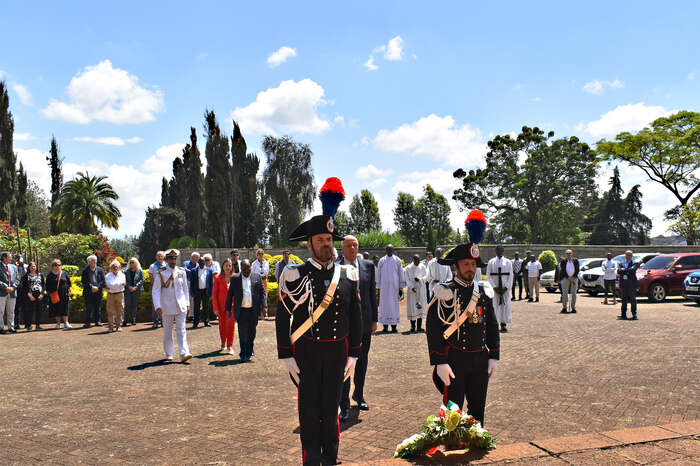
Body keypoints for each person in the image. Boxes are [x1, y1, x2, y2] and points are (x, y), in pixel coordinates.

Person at [276, 177, 361, 466]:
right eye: (320, 241)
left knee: (332, 405)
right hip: (307, 353)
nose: (326, 245)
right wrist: (286, 355)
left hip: (338, 352)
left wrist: (354, 354)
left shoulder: (348, 275)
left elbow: (356, 317)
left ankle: (331, 455)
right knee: (309, 409)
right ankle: (312, 457)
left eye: (329, 240)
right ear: (309, 244)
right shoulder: (294, 274)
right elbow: (282, 317)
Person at [426, 210, 499, 426]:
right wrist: (439, 361)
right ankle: (452, 442)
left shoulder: (483, 292)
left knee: (478, 406)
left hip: (479, 358)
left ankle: (476, 440)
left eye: (473, 264)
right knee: (453, 407)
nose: (470, 268)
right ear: (455, 267)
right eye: (466, 264)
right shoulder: (443, 291)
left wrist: (494, 355)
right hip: (454, 358)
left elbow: (492, 326)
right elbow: (433, 328)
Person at [338, 234, 378, 420]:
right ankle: (343, 403)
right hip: (345, 326)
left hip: (364, 322)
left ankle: (358, 395)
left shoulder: (368, 266)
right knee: (345, 363)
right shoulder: (336, 268)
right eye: (348, 246)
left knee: (362, 361)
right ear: (342, 248)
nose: (352, 249)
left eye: (355, 245)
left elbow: (371, 295)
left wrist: (374, 320)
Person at [152, 249, 193, 362]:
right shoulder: (161, 273)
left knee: (182, 330)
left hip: (181, 306)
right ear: (167, 259)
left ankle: (184, 353)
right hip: (166, 306)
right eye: (171, 258)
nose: (173, 261)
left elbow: (185, 289)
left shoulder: (181, 271)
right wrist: (158, 306)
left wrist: (187, 304)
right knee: (168, 332)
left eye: (175, 258)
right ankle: (169, 353)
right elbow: (155, 291)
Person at [226, 259, 267, 362]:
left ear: (250, 268)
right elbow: (230, 294)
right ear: (241, 268)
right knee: (243, 333)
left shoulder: (256, 277)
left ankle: (250, 349)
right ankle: (243, 353)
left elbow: (262, 293)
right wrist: (228, 308)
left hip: (253, 310)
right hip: (241, 311)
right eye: (244, 269)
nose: (246, 271)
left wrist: (264, 306)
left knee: (252, 332)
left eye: (248, 269)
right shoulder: (235, 278)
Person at [376, 244, 405, 333]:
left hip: (394, 287)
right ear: (386, 250)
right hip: (384, 287)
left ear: (393, 250)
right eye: (387, 249)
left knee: (394, 305)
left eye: (390, 249)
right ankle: (385, 326)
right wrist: (378, 287)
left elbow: (401, 273)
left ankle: (393, 326)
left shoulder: (397, 260)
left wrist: (401, 287)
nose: (389, 251)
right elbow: (378, 274)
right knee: (384, 305)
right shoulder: (382, 260)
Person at [486, 245, 513, 333]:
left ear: (503, 251)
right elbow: (488, 275)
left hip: (505, 289)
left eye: (501, 250)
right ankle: (495, 323)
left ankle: (503, 324)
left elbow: (511, 276)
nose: (499, 252)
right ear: (495, 251)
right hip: (495, 289)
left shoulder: (508, 262)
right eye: (498, 250)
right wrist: (494, 287)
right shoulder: (491, 262)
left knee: (505, 305)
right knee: (495, 305)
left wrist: (506, 287)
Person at [213, 258, 236, 354]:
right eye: (226, 265)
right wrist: (215, 308)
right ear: (222, 267)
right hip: (221, 307)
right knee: (222, 326)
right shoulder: (218, 278)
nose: (228, 267)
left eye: (229, 265)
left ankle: (230, 346)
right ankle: (223, 342)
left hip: (232, 307)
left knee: (231, 326)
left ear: (232, 267)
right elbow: (214, 294)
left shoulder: (235, 277)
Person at [45, 259, 73, 329]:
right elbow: (47, 286)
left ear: (61, 266)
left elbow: (69, 283)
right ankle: (58, 323)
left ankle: (66, 322)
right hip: (55, 295)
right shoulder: (50, 275)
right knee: (56, 308)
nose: (57, 266)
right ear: (52, 266)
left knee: (65, 308)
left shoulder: (65, 273)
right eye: (55, 265)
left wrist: (70, 290)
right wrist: (50, 295)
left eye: (59, 265)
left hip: (64, 294)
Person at [404, 254, 428, 333]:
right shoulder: (408, 268)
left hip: (421, 289)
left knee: (420, 307)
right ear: (413, 260)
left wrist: (420, 279)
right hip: (412, 291)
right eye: (416, 260)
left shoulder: (423, 267)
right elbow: (407, 279)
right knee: (412, 308)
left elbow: (427, 276)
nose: (417, 262)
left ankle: (419, 327)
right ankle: (412, 327)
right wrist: (411, 287)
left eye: (418, 260)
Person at [81, 255, 105, 328]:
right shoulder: (85, 270)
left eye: (95, 260)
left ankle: (97, 321)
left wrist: (97, 287)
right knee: (89, 308)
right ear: (89, 262)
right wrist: (91, 286)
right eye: (93, 260)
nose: (95, 262)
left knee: (97, 307)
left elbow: (103, 280)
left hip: (98, 291)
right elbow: (84, 281)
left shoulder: (100, 270)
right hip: (89, 291)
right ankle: (87, 322)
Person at [20, 261, 45, 331]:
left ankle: (38, 325)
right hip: (30, 295)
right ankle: (28, 325)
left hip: (39, 294)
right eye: (31, 266)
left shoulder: (40, 275)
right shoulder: (26, 276)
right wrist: (29, 295)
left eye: (34, 266)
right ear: (29, 268)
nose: (33, 268)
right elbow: (24, 287)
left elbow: (43, 285)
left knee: (39, 310)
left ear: (36, 267)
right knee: (29, 310)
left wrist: (42, 294)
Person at [190, 257, 213, 328]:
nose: (202, 263)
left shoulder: (209, 270)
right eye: (200, 262)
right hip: (197, 291)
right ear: (198, 263)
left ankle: (206, 321)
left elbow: (211, 282)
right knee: (196, 308)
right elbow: (192, 282)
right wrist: (192, 292)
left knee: (206, 307)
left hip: (206, 291)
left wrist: (211, 292)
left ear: (205, 262)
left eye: (203, 262)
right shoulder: (194, 270)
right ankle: (195, 322)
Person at [104, 260, 126, 332]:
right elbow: (110, 285)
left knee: (120, 311)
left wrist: (116, 285)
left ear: (119, 267)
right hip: (111, 295)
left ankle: (118, 326)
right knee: (110, 311)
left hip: (120, 294)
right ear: (111, 268)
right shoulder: (107, 276)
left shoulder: (122, 275)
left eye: (116, 267)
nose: (115, 268)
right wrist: (119, 284)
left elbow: (122, 284)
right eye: (113, 267)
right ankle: (110, 326)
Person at [0, 252, 19, 333]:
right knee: (0, 311)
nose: (11, 259)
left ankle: (11, 327)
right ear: (4, 258)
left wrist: (13, 287)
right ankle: (0, 328)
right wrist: (5, 287)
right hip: (1, 292)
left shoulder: (14, 267)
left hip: (12, 292)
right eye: (9, 257)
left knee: (11, 311)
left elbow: (18, 279)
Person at [618, 250, 639, 320]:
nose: (628, 256)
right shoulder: (621, 263)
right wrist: (627, 271)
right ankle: (623, 314)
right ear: (625, 255)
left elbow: (632, 270)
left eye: (629, 255)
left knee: (633, 299)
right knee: (623, 300)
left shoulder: (635, 263)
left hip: (631, 284)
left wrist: (624, 271)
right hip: (623, 284)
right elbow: (618, 271)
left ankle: (634, 314)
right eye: (627, 255)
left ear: (632, 256)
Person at [124, 258, 144, 326]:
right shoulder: (126, 271)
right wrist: (129, 286)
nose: (131, 264)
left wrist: (136, 287)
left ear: (136, 263)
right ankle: (125, 320)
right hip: (128, 290)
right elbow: (124, 280)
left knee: (134, 305)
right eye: (130, 262)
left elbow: (141, 280)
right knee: (127, 305)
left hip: (136, 290)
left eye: (133, 262)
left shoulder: (140, 271)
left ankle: (133, 320)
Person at [148, 251, 166, 328]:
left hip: (165, 287)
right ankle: (155, 322)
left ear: (164, 257)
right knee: (155, 304)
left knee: (164, 304)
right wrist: (155, 287)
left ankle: (163, 321)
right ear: (156, 257)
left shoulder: (167, 265)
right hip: (155, 288)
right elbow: (151, 277)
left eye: (161, 256)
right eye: (158, 256)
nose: (160, 257)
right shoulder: (152, 266)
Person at [559, 250, 580, 314]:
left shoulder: (575, 260)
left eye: (569, 253)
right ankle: (564, 307)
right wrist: (568, 277)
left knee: (573, 293)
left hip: (574, 278)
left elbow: (577, 269)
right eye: (567, 253)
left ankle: (573, 308)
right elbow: (563, 270)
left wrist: (573, 277)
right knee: (564, 293)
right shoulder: (563, 261)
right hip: (566, 278)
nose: (568, 255)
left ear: (572, 254)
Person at [252, 248, 270, 318]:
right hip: (257, 281)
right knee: (257, 297)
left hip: (264, 280)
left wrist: (262, 266)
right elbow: (252, 273)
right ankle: (258, 314)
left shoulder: (266, 263)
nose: (260, 255)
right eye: (259, 254)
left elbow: (267, 272)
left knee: (265, 296)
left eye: (262, 254)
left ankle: (265, 313)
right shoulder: (254, 263)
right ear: (257, 255)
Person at [184, 252, 200, 322]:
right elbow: (184, 269)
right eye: (194, 257)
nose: (196, 259)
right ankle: (186, 315)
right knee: (187, 298)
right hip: (187, 281)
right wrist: (193, 272)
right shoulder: (186, 263)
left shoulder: (198, 265)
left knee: (193, 298)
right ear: (191, 257)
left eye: (197, 257)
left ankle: (192, 315)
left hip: (194, 283)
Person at [13, 255, 26, 330]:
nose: (19, 261)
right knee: (16, 307)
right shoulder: (12, 267)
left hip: (24, 289)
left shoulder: (26, 267)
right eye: (18, 259)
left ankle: (27, 323)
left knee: (25, 306)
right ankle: (16, 324)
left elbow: (25, 275)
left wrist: (23, 266)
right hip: (16, 289)